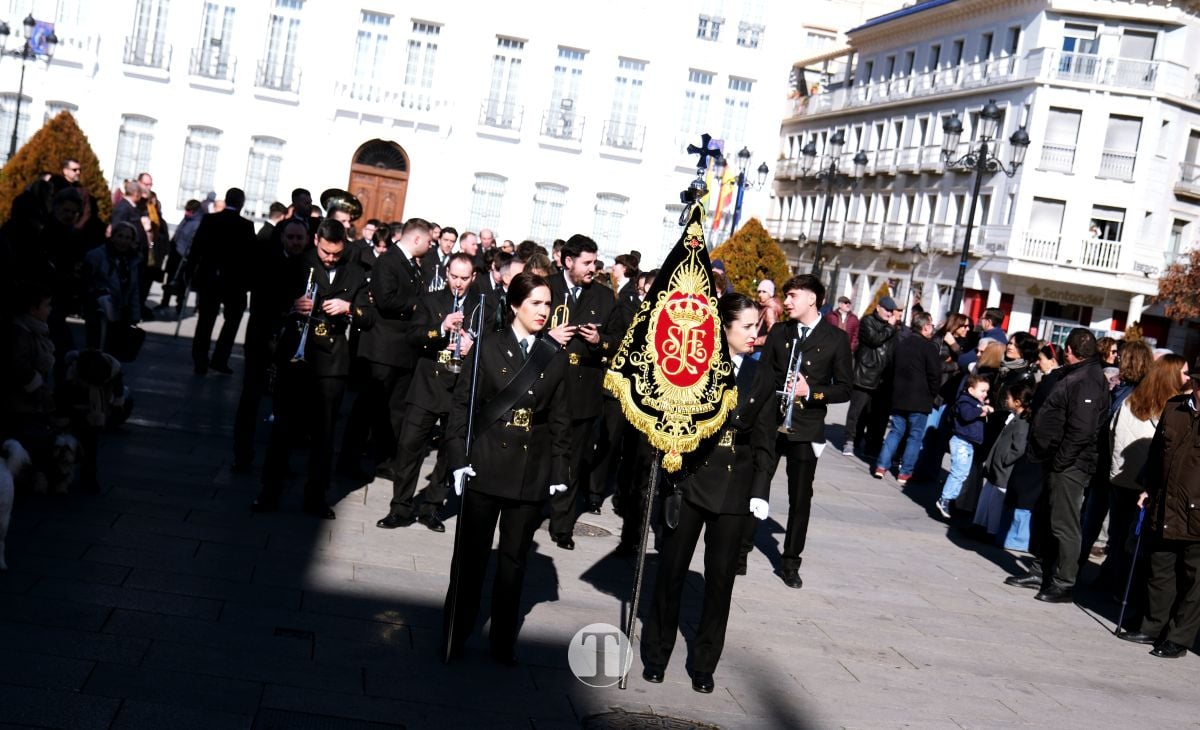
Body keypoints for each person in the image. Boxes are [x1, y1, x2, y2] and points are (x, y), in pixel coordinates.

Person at [641, 293, 770, 694]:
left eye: (757, 326)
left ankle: (704, 662)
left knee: (720, 584)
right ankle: (657, 655)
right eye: (747, 327)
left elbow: (766, 439)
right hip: (692, 480)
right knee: (671, 574)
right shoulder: (694, 368)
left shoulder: (762, 374)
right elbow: (665, 419)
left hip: (736, 488)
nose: (755, 334)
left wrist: (761, 490)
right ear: (724, 328)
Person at [441, 272, 570, 665]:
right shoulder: (489, 346)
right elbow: (463, 405)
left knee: (514, 562)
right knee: (471, 557)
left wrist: (560, 472)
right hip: (485, 465)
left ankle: (501, 641)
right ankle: (455, 632)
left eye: (547, 304)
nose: (543, 311)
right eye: (535, 303)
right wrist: (458, 460)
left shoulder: (555, 354)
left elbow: (560, 420)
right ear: (515, 305)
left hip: (530, 471)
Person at [254, 219, 370, 519]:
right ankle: (269, 492)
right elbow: (268, 299)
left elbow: (368, 316)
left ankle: (316, 496)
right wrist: (292, 305)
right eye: (325, 252)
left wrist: (349, 309)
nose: (330, 258)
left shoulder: (356, 271)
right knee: (283, 429)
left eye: (336, 253)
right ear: (316, 240)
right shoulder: (297, 264)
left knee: (325, 433)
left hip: (331, 360)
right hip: (297, 355)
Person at [748, 274, 852, 588]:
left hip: (805, 428)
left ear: (812, 298)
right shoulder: (781, 332)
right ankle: (740, 550)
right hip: (770, 423)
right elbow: (761, 375)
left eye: (793, 296)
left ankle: (790, 562)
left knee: (800, 498)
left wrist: (811, 391)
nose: (787, 302)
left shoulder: (836, 338)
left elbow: (845, 388)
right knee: (755, 486)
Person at [377, 254, 478, 533]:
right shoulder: (430, 300)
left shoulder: (483, 305)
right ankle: (400, 507)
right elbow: (413, 336)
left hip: (459, 389)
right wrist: (441, 328)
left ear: (473, 278)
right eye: (454, 276)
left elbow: (493, 342)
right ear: (447, 273)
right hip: (427, 385)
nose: (458, 283)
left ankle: (431, 507)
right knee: (409, 446)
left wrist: (474, 345)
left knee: (449, 452)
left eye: (464, 278)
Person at [1008, 328, 1108, 603]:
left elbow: (1082, 429)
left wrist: (1062, 460)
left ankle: (1064, 582)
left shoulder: (1088, 379)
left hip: (1070, 464)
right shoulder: (1077, 374)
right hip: (1054, 460)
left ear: (1070, 350)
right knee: (1047, 517)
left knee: (1064, 523)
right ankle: (1041, 570)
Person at [340, 219, 433, 477]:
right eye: (428, 241)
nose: (430, 245)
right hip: (383, 348)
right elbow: (387, 300)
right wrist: (419, 305)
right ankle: (348, 460)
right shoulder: (388, 261)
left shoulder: (411, 264)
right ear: (416, 239)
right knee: (368, 407)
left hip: (402, 349)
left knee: (394, 409)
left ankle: (385, 460)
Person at [544, 234, 619, 549]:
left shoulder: (604, 297)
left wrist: (598, 341)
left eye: (594, 262)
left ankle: (562, 525)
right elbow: (515, 327)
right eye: (586, 263)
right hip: (546, 385)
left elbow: (619, 341)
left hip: (583, 391)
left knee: (573, 460)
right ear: (567, 261)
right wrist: (548, 336)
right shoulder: (545, 287)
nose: (593, 268)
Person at [1121, 360, 1200, 658]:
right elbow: (1156, 455)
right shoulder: (1175, 408)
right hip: (1165, 503)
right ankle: (1152, 626)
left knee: (1195, 581)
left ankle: (1179, 638)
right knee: (1160, 568)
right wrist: (1147, 488)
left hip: (1197, 511)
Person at [1103, 354, 1188, 616]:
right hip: (1146, 485)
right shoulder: (1173, 408)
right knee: (1138, 542)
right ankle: (1126, 591)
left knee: (1120, 537)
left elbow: (1112, 437)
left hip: (1122, 478)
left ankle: (1114, 584)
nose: (1188, 378)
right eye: (1184, 373)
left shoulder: (1131, 400)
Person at [231, 218, 311, 472]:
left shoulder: (308, 264)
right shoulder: (266, 258)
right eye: (292, 238)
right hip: (262, 337)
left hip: (291, 340)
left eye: (300, 238)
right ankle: (242, 455)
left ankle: (279, 460)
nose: (296, 242)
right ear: (283, 238)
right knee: (251, 397)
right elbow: (259, 297)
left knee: (287, 402)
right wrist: (291, 305)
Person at [187, 187, 257, 375]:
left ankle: (200, 360)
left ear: (226, 201)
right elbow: (251, 258)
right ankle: (220, 358)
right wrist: (248, 283)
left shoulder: (210, 220)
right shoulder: (246, 226)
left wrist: (190, 274)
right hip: (235, 283)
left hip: (210, 278)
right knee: (232, 320)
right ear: (241, 203)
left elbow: (196, 248)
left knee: (205, 321)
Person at [871, 311, 940, 486]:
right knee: (915, 436)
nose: (932, 328)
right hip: (920, 398)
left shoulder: (902, 344)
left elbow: (891, 368)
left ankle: (881, 466)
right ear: (925, 327)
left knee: (896, 432)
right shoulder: (928, 347)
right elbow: (934, 375)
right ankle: (905, 472)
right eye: (931, 325)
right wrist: (932, 393)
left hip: (900, 396)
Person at [975, 380, 1037, 538]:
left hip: (1003, 470)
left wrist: (1003, 459)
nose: (1005, 400)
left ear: (1017, 402)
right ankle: (979, 525)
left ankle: (991, 531)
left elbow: (1018, 448)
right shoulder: (1015, 418)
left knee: (995, 502)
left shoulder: (1022, 423)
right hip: (996, 466)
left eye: (1008, 398)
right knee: (986, 497)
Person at [841, 297, 899, 457]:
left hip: (882, 377)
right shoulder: (868, 321)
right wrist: (890, 328)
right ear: (879, 308)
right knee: (856, 411)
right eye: (887, 309)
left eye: (891, 311)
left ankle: (868, 444)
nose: (889, 313)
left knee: (874, 414)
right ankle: (849, 441)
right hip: (865, 373)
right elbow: (874, 340)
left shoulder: (892, 328)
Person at [936, 373, 992, 518]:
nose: (985, 394)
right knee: (958, 472)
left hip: (967, 443)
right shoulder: (966, 401)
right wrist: (982, 410)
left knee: (962, 473)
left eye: (986, 391)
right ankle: (946, 498)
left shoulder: (974, 402)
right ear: (971, 390)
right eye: (982, 391)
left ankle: (949, 498)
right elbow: (967, 415)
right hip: (961, 442)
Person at [82, 222, 141, 354]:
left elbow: (134, 289)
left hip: (121, 312)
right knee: (95, 348)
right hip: (99, 311)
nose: (123, 241)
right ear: (112, 237)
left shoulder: (132, 260)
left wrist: (135, 315)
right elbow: (86, 281)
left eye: (128, 238)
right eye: (120, 236)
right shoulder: (97, 255)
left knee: (113, 350)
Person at [753, 280, 782, 350]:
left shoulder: (770, 310)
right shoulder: (763, 306)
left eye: (764, 292)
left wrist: (754, 341)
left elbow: (772, 334)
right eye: (759, 291)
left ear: (770, 294)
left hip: (760, 350)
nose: (760, 294)